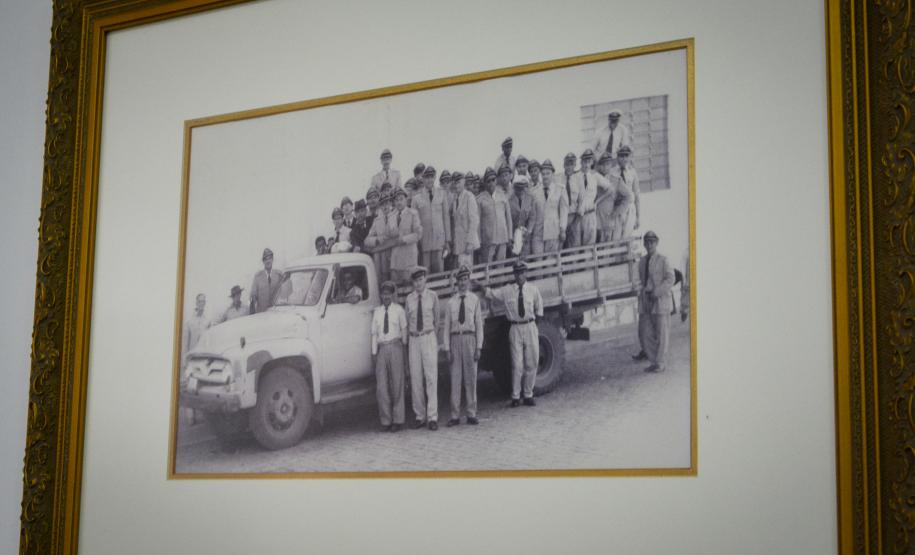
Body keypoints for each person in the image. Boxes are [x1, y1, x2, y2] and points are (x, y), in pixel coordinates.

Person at [483, 261, 543, 406]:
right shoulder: (507, 290)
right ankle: (515, 396)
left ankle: (528, 394)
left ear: (526, 274)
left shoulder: (533, 290)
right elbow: (491, 294)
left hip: (529, 326)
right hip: (515, 328)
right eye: (517, 273)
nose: (520, 275)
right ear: (514, 274)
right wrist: (480, 285)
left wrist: (533, 326)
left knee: (532, 362)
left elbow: (539, 309)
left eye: (522, 272)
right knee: (517, 364)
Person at [443, 265, 484, 426]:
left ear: (468, 281)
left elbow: (479, 324)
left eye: (465, 279)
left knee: (471, 378)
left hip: (469, 339)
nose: (462, 283)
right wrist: (447, 349)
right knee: (455, 379)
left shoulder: (474, 300)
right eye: (460, 280)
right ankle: (455, 416)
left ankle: (471, 413)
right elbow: (446, 327)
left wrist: (479, 347)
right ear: (456, 282)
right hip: (455, 340)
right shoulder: (451, 302)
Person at [405, 266, 440, 430]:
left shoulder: (433, 296)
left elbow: (437, 321)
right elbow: (407, 320)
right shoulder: (409, 299)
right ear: (412, 282)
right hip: (414, 339)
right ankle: (420, 416)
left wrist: (432, 336)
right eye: (415, 281)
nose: (418, 283)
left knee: (431, 377)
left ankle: (432, 417)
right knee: (416, 378)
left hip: (428, 337)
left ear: (425, 279)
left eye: (421, 280)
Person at [371, 281, 408, 432]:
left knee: (397, 384)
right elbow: (374, 334)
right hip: (382, 349)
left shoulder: (399, 310)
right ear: (380, 295)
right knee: (382, 387)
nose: (386, 296)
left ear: (392, 295)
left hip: (395, 346)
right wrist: (374, 354)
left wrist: (404, 349)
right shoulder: (377, 312)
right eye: (383, 293)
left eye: (388, 293)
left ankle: (398, 420)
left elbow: (404, 331)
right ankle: (386, 420)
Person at [636, 231, 675, 372]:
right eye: (647, 242)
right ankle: (653, 360)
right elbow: (640, 280)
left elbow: (671, 279)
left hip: (660, 300)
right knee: (644, 332)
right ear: (644, 244)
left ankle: (660, 363)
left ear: (656, 243)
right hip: (646, 300)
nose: (649, 245)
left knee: (662, 333)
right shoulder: (641, 262)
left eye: (652, 242)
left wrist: (657, 292)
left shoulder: (663, 260)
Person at [413, 165, 451, 274]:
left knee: (439, 270)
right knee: (425, 272)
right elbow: (415, 223)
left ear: (434, 178)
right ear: (423, 179)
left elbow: (446, 218)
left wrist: (447, 240)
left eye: (431, 177)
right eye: (426, 177)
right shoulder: (417, 198)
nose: (429, 180)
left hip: (439, 240)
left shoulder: (441, 194)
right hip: (424, 241)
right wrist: (417, 242)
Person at [389, 187, 422, 284]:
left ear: (406, 200)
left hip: (409, 260)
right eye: (396, 200)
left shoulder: (413, 213)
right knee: (396, 290)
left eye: (401, 199)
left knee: (410, 288)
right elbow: (388, 236)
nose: (399, 202)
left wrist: (404, 239)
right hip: (395, 261)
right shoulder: (391, 216)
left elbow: (418, 234)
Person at [608, 145, 641, 237]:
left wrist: (638, 217)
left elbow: (637, 196)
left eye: (626, 156)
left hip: (629, 209)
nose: (624, 159)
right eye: (621, 156)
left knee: (627, 236)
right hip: (617, 208)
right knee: (616, 237)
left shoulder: (632, 173)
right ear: (617, 157)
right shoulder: (612, 172)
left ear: (630, 157)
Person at [451, 171, 480, 267]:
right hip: (459, 242)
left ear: (464, 182)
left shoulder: (469, 197)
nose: (456, 185)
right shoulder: (455, 199)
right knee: (461, 268)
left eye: (458, 182)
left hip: (467, 242)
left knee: (467, 269)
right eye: (454, 183)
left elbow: (474, 221)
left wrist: (470, 242)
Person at [574, 149, 602, 246]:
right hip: (578, 216)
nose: (586, 165)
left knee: (589, 245)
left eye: (589, 162)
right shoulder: (575, 176)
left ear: (592, 162)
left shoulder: (595, 176)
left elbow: (609, 189)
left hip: (590, 214)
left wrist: (597, 201)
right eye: (584, 162)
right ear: (581, 162)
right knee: (576, 245)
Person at [539, 159, 568, 252]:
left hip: (553, 231)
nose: (545, 176)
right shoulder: (536, 191)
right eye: (543, 174)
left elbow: (564, 211)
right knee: (538, 261)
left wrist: (562, 229)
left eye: (548, 173)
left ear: (553, 174)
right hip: (539, 232)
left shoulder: (560, 189)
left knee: (551, 260)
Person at [365, 193, 394, 282]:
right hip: (382, 260)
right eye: (382, 204)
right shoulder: (377, 221)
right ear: (380, 206)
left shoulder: (397, 216)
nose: (385, 206)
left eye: (387, 203)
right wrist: (376, 239)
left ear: (391, 204)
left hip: (395, 256)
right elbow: (367, 240)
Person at [250, 248, 283, 313]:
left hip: (276, 313)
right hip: (262, 314)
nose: (268, 261)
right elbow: (253, 296)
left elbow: (285, 293)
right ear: (263, 261)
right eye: (265, 259)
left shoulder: (279, 275)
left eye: (270, 258)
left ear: (272, 259)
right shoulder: (258, 277)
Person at [476, 168, 498, 263]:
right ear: (485, 183)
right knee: (487, 266)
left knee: (501, 265)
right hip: (487, 240)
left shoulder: (502, 195)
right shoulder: (480, 199)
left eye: (493, 180)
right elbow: (477, 223)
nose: (491, 183)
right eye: (488, 181)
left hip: (501, 238)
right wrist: (479, 241)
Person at [509, 175, 534, 256]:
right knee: (513, 258)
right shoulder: (509, 200)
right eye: (518, 188)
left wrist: (528, 231)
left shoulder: (530, 199)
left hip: (525, 234)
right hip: (513, 234)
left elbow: (532, 217)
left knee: (525, 258)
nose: (520, 191)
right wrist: (511, 236)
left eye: (522, 188)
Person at [561, 152, 583, 248]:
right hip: (562, 217)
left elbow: (581, 201)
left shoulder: (578, 180)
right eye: (567, 164)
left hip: (574, 217)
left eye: (571, 164)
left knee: (575, 245)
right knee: (562, 245)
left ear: (574, 165)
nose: (569, 167)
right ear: (563, 165)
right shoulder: (558, 179)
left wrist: (576, 221)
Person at [492, 165, 514, 259]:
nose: (504, 178)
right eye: (502, 176)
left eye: (506, 175)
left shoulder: (515, 188)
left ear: (510, 176)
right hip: (499, 232)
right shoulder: (496, 192)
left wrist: (510, 236)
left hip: (513, 230)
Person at [182, 292, 210, 364]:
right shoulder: (189, 321)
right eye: (200, 301)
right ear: (196, 303)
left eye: (203, 301)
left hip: (203, 358)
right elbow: (185, 343)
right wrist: (185, 360)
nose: (202, 303)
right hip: (192, 357)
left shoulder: (207, 321)